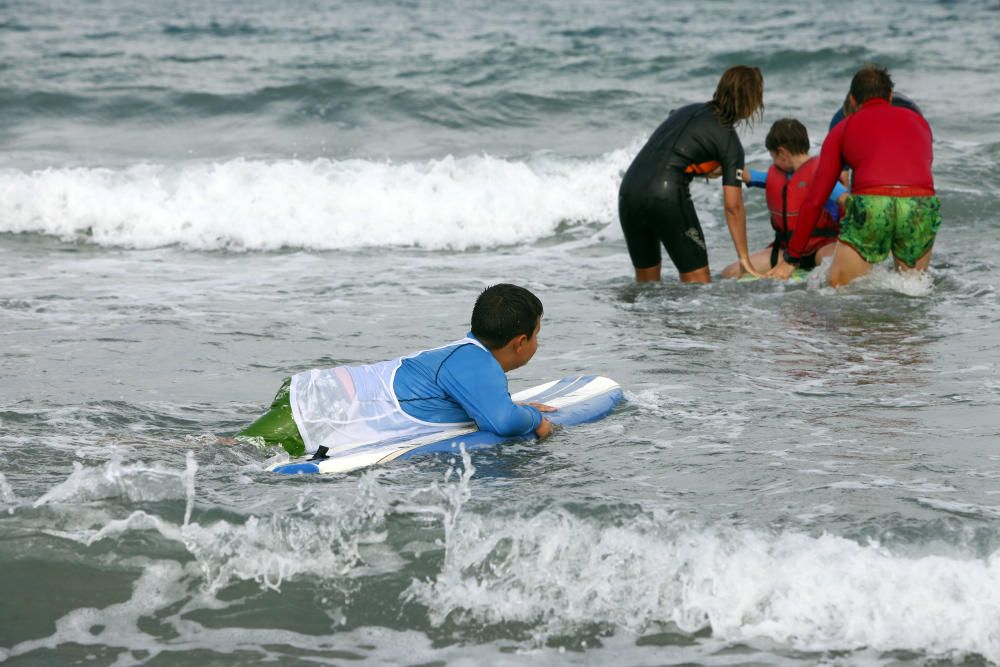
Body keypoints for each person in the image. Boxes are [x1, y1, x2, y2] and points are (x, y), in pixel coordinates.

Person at [235, 284, 555, 457]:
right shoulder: (476, 364)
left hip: (318, 396)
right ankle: (185, 449)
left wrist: (515, 407)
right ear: (519, 341)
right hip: (321, 411)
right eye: (537, 334)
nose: (537, 342)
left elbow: (490, 407)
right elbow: (502, 422)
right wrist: (535, 419)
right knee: (232, 453)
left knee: (238, 449)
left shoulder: (462, 355)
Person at [768, 64, 940, 286]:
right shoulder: (920, 123)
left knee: (841, 289)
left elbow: (815, 199)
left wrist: (791, 258)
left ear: (852, 100)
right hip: (920, 204)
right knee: (913, 287)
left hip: (873, 204)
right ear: (889, 95)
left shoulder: (843, 128)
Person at [618, 65, 764, 283]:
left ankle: (643, 320)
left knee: (646, 286)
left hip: (629, 190)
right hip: (665, 195)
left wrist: (701, 168)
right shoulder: (729, 142)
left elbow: (674, 152)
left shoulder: (685, 111)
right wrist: (744, 259)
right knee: (698, 284)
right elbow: (733, 207)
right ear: (751, 102)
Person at [721, 118, 848, 278]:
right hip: (786, 251)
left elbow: (846, 200)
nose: (773, 162)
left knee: (839, 268)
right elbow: (745, 174)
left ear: (782, 153)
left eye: (773, 156)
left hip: (823, 246)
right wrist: (722, 165)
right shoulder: (777, 176)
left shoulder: (822, 175)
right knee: (730, 273)